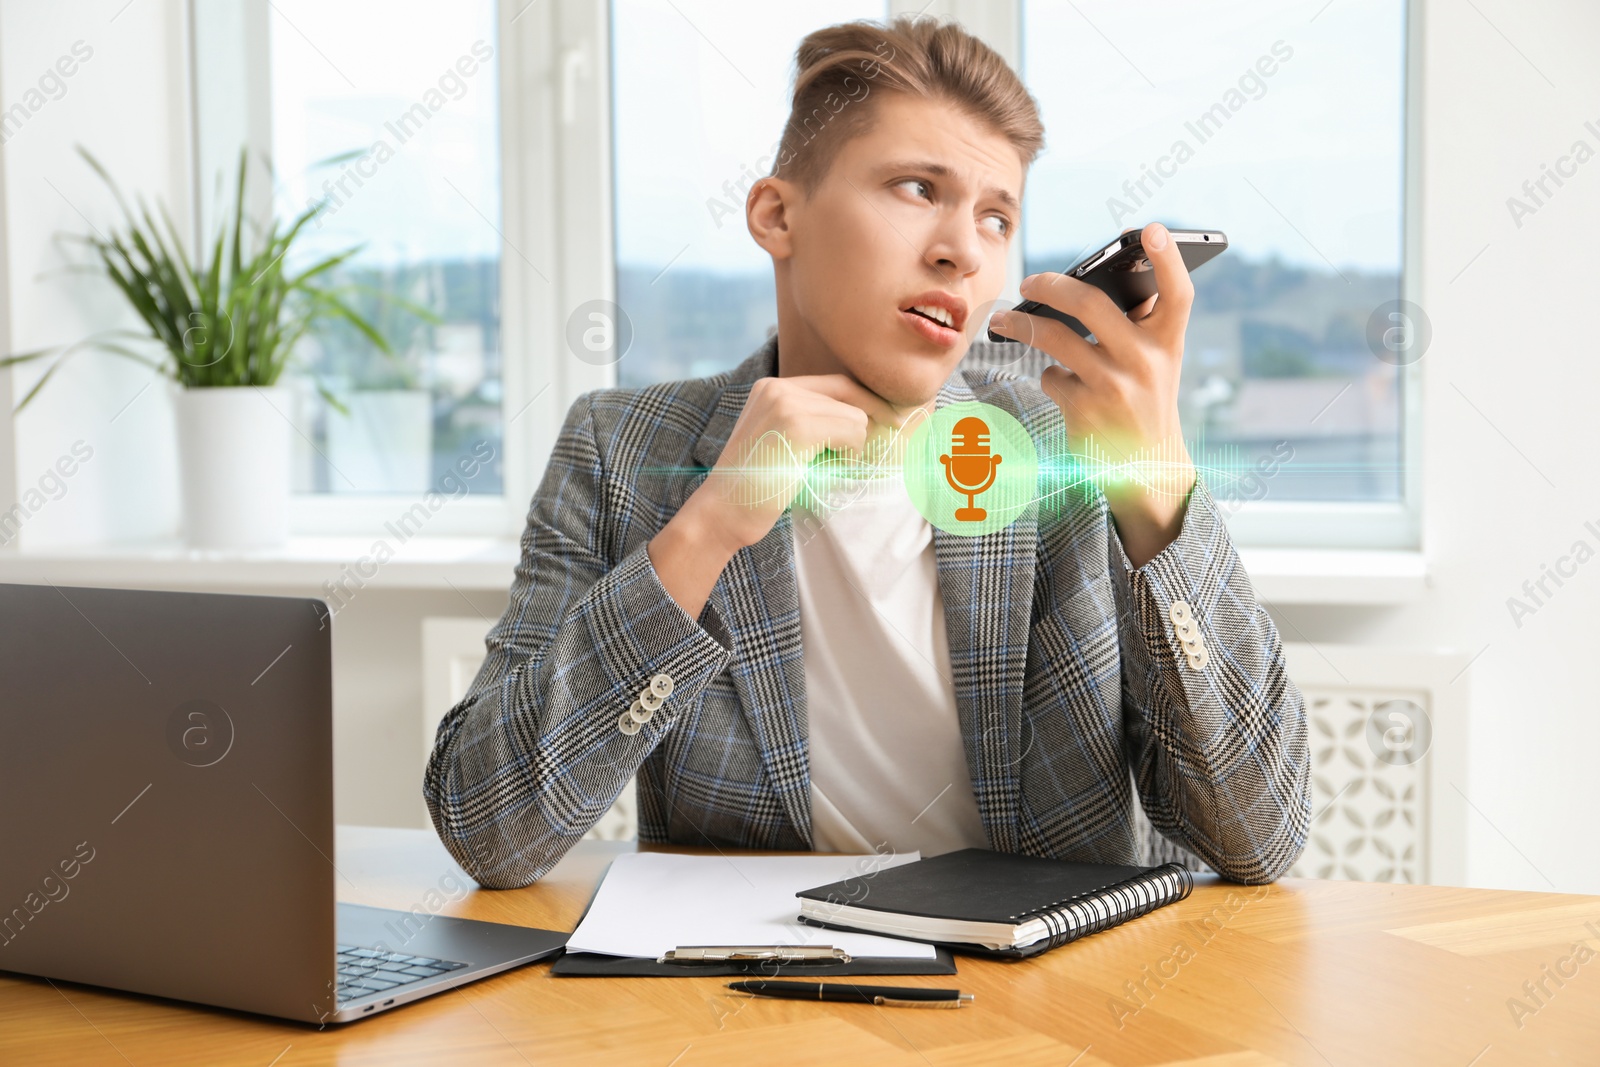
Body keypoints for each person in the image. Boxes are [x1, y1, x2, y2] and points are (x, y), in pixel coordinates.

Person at [424, 15, 1309, 889]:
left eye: (997, 217)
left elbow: (1258, 839)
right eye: (918, 188)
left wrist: (1157, 491)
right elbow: (491, 833)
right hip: (753, 1006)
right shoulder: (620, 452)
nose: (963, 249)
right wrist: (707, 529)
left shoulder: (1069, 445)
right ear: (778, 215)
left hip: (1039, 1012)